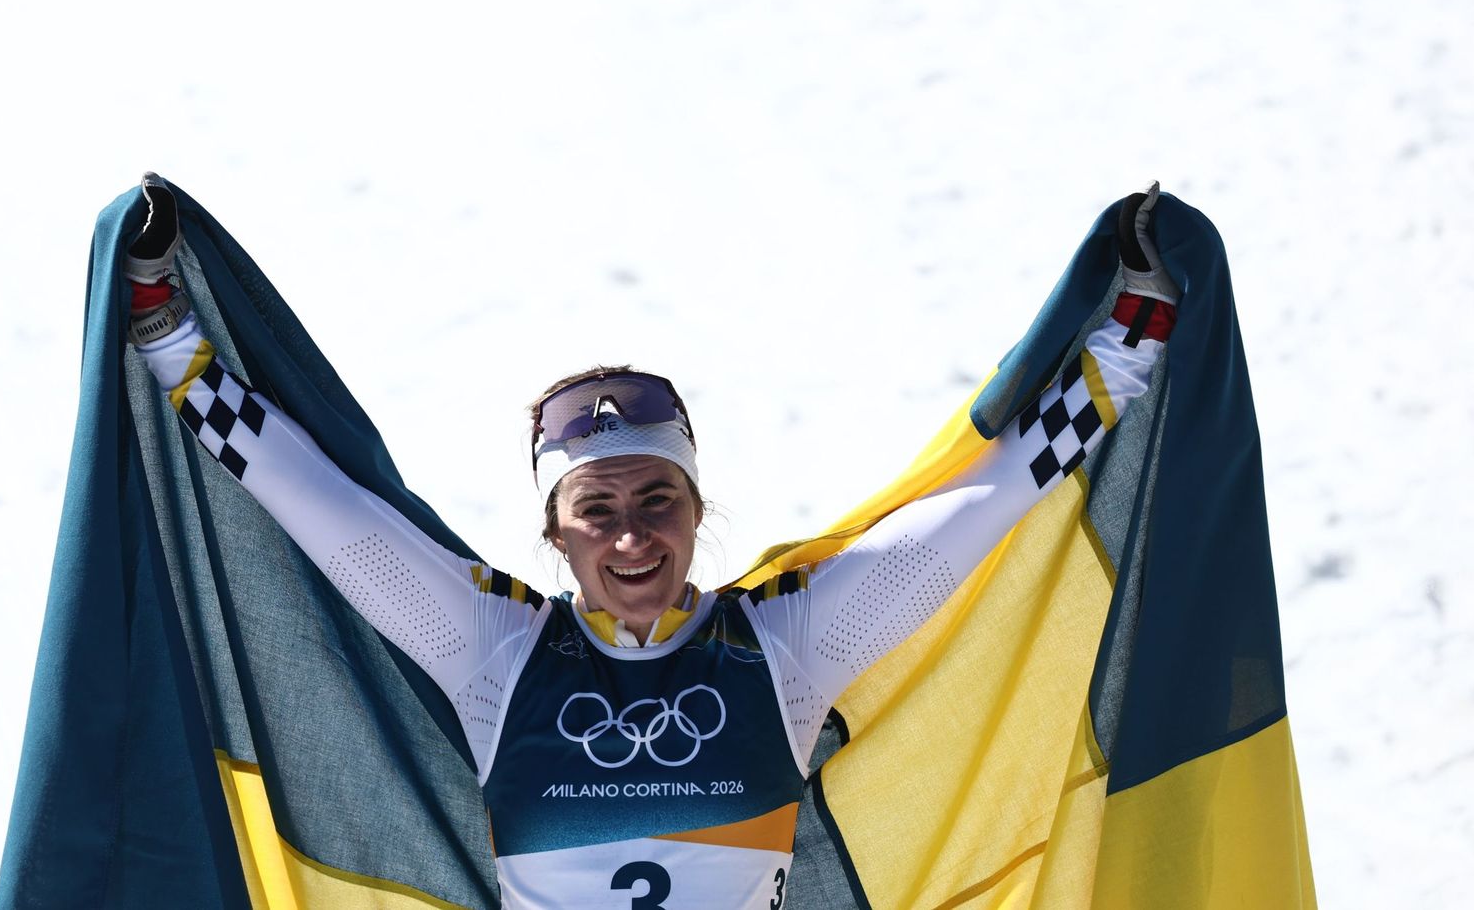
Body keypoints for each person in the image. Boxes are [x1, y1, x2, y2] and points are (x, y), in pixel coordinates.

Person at [124, 176, 1178, 910]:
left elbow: (971, 515)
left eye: (657, 500)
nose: (630, 534)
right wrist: (172, 339)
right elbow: (325, 511)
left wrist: (1126, 349)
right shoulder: (496, 646)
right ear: (555, 531)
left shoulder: (784, 641)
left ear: (697, 505)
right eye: (597, 509)